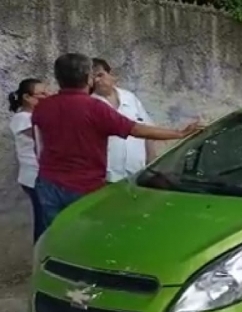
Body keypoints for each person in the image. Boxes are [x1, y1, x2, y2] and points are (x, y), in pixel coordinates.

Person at [32, 53, 203, 231]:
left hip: (49, 183)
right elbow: (136, 129)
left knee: (54, 235)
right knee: (86, 237)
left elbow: (39, 145)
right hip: (84, 187)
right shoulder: (95, 108)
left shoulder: (43, 107)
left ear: (58, 78)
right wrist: (179, 133)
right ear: (88, 79)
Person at [91, 58, 157, 182]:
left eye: (100, 75)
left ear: (111, 75)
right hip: (107, 178)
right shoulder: (91, 104)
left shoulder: (129, 98)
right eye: (93, 77)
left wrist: (151, 164)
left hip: (137, 174)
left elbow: (147, 130)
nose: (97, 80)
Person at [7, 78, 49, 243]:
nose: (46, 97)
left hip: (39, 176)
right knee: (43, 221)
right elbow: (45, 135)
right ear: (27, 97)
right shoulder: (23, 118)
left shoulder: (35, 116)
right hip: (34, 176)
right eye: (41, 94)